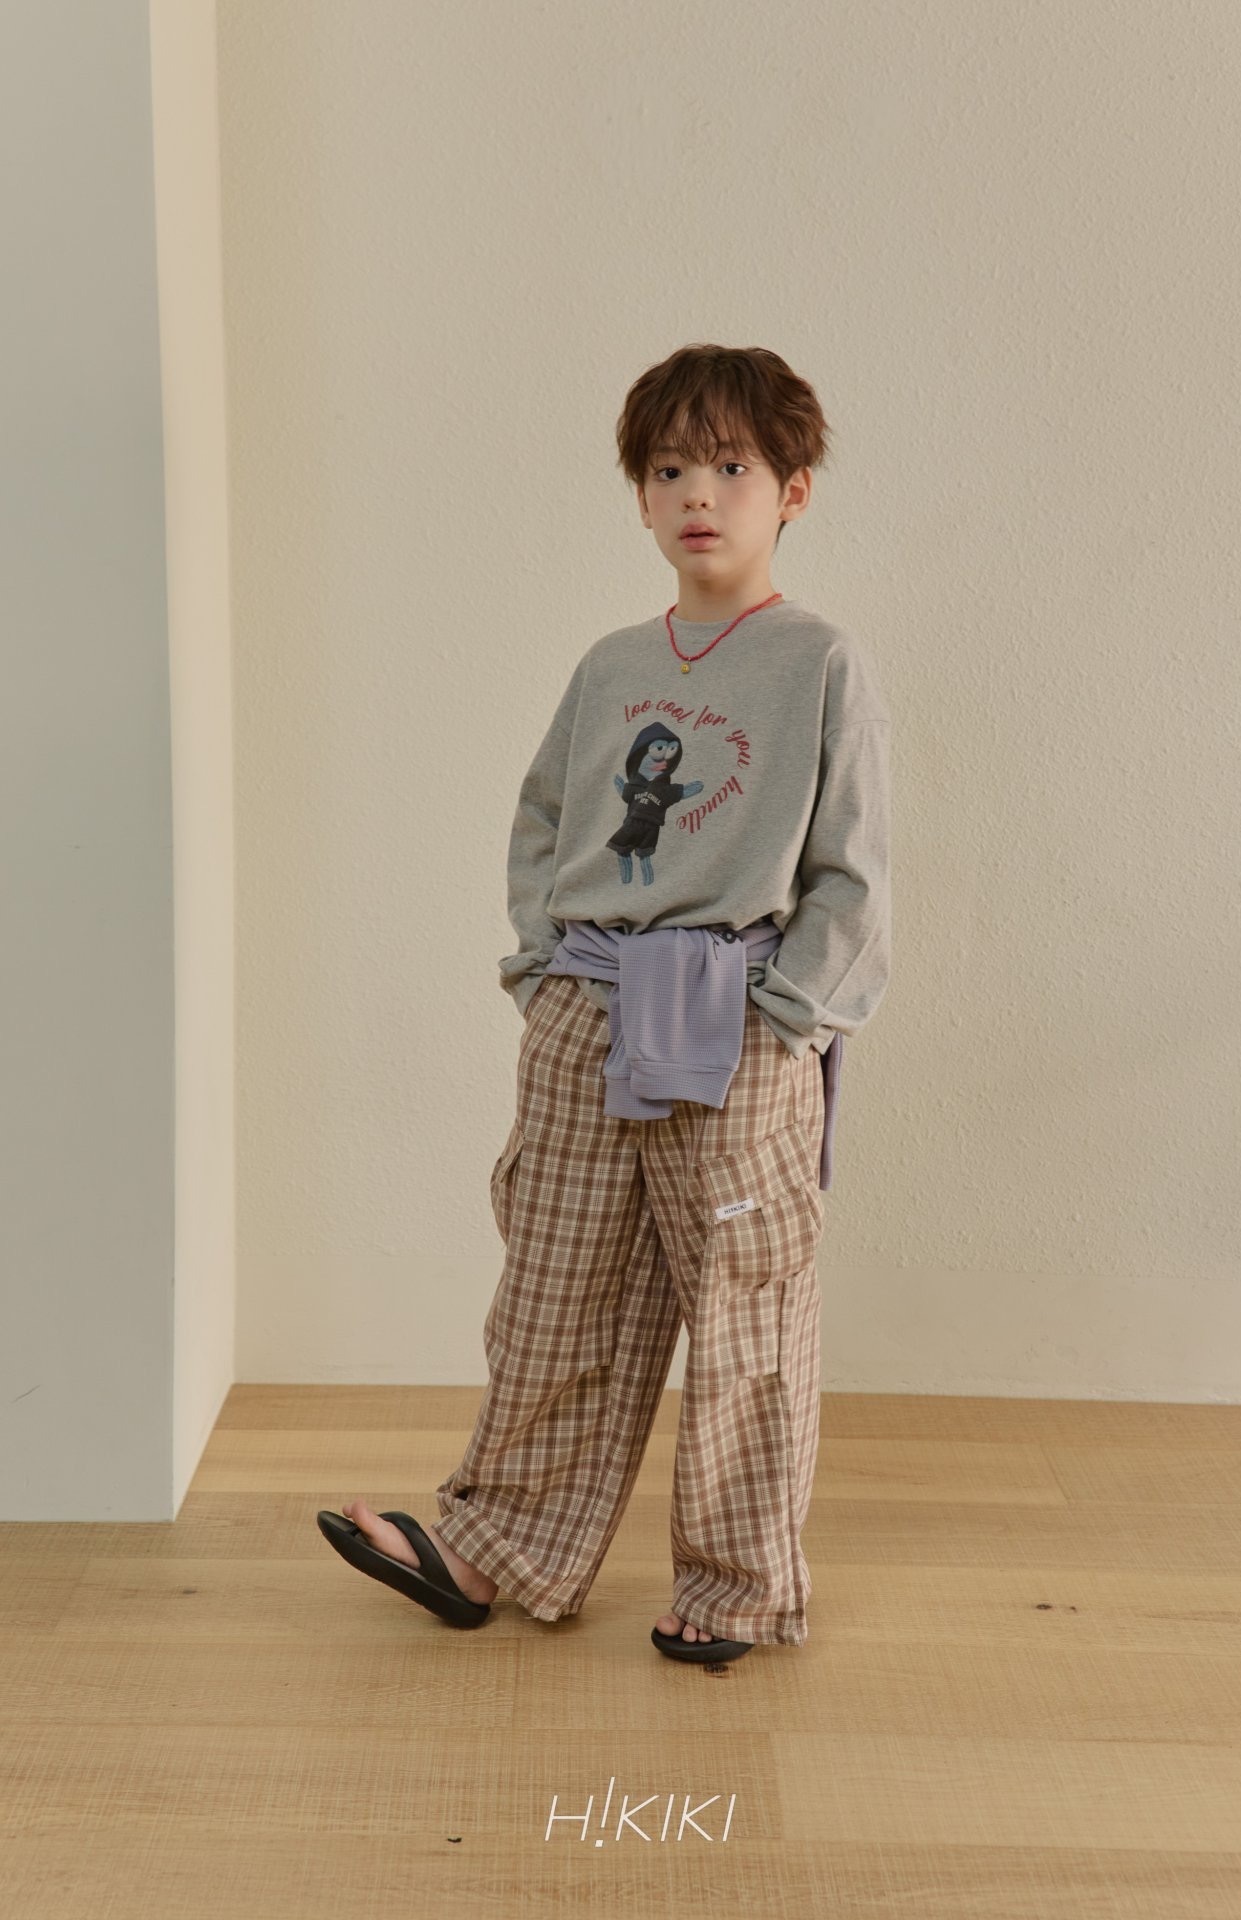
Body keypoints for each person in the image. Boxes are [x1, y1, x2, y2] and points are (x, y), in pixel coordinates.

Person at [318, 342, 891, 1664]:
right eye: (670, 468)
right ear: (640, 495)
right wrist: (540, 970)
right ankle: (493, 1545)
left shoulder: (820, 660)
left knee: (745, 1306)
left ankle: (739, 1587)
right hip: (588, 1003)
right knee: (556, 1281)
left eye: (732, 466)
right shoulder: (612, 662)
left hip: (737, 1020)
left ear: (793, 490)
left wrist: (790, 1018)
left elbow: (854, 869)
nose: (699, 493)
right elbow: (542, 820)